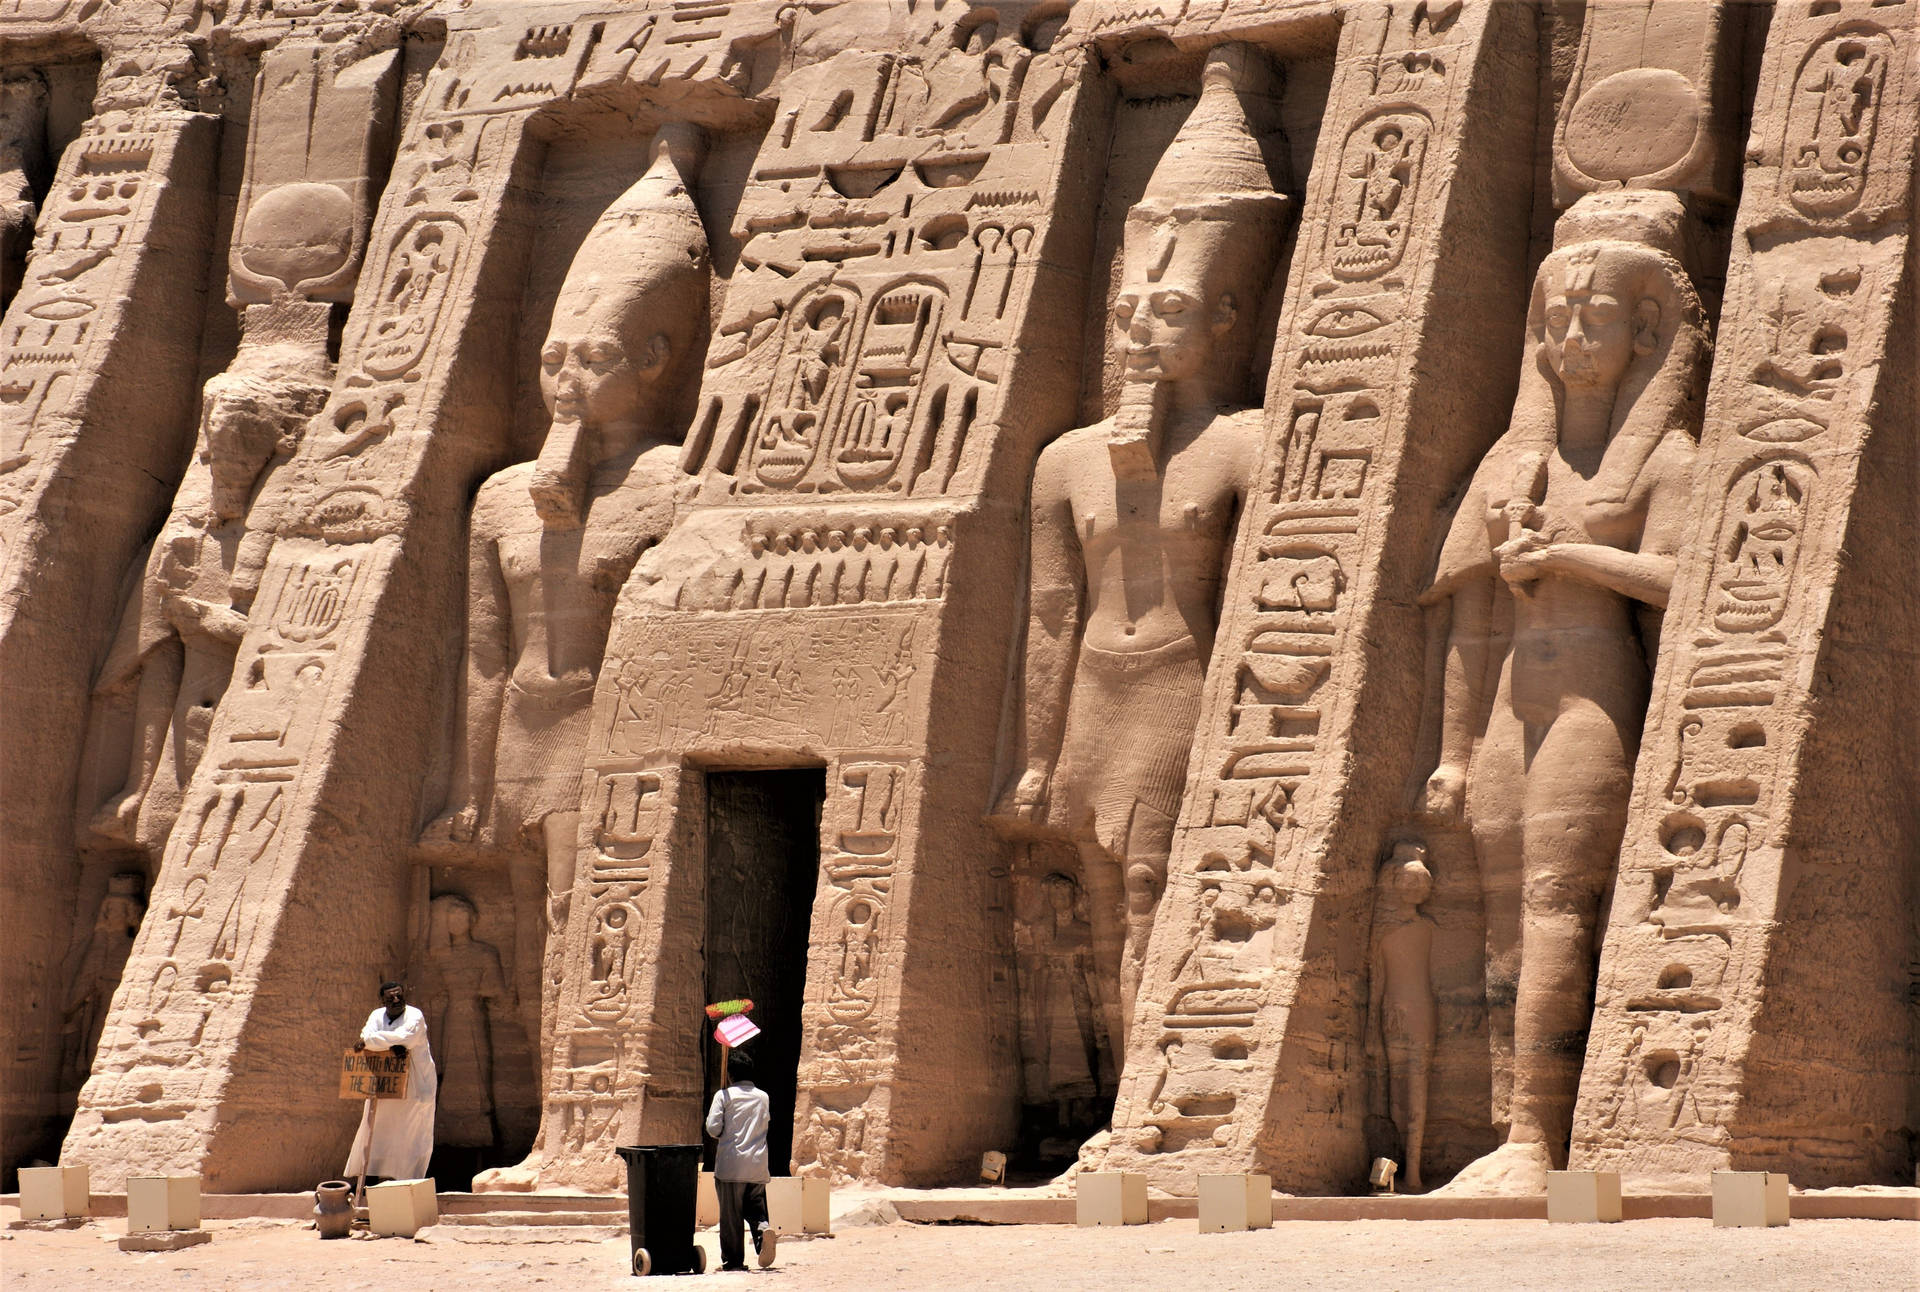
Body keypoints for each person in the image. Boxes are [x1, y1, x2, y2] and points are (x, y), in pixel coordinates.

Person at [345, 981, 438, 1184]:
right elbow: (366, 1034)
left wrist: (374, 1043)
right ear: (383, 1001)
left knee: (408, 1136)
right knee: (375, 1130)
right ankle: (369, 1185)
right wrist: (391, 1045)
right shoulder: (377, 1015)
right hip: (386, 1084)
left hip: (415, 1087)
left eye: (399, 996)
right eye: (390, 998)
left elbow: (406, 1037)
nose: (396, 1000)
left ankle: (405, 1184)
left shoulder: (415, 1015)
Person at [704, 1048, 776, 1271]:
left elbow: (713, 1129)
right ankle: (763, 1230)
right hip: (757, 1165)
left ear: (730, 1074)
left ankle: (734, 1261)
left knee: (731, 1216)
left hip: (731, 1166)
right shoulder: (763, 1096)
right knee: (756, 1207)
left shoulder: (723, 1096)